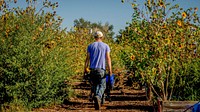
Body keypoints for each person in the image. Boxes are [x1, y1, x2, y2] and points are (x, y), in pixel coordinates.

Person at [84, 31, 112, 110]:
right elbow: (108, 58)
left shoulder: (90, 46)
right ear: (102, 37)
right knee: (102, 85)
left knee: (95, 85)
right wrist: (110, 70)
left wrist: (85, 69)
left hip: (92, 69)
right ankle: (98, 96)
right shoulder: (106, 46)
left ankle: (98, 100)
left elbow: (87, 59)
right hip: (101, 69)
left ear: (94, 37)